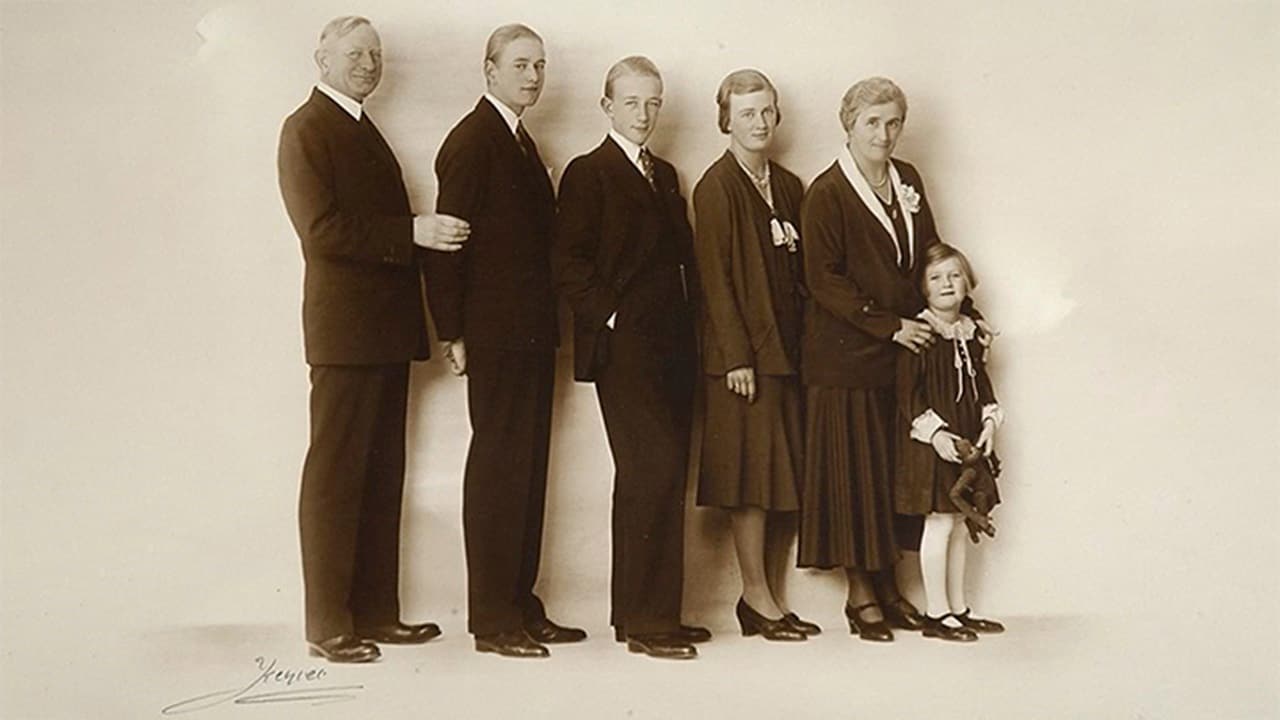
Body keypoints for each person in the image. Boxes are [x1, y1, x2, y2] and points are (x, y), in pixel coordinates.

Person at [277, 15, 470, 663]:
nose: (368, 63)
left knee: (382, 475)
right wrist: (411, 233)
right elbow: (322, 231)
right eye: (355, 53)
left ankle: (375, 615)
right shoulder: (306, 129)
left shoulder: (360, 127)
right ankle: (329, 626)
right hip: (344, 336)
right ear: (321, 58)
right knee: (336, 478)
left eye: (375, 54)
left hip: (383, 334)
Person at [424, 23, 584, 659]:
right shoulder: (472, 141)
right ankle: (492, 620)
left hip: (530, 336)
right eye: (520, 65)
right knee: (498, 472)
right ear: (488, 70)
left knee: (527, 469)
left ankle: (520, 603)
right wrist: (452, 332)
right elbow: (446, 243)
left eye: (540, 65)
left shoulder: (517, 140)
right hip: (493, 336)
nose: (533, 76)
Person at [552, 56, 709, 660]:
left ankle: (646, 613)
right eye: (632, 102)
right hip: (624, 350)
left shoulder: (664, 173)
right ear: (607, 106)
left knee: (664, 476)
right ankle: (648, 623)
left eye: (653, 103)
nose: (644, 114)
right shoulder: (587, 172)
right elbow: (568, 264)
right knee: (652, 471)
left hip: (674, 348)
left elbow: (682, 260)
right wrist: (615, 318)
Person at [797, 76, 937, 642]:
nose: (884, 133)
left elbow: (928, 248)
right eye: (872, 123)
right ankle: (861, 597)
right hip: (846, 358)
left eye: (893, 122)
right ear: (848, 125)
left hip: (899, 354)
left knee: (889, 474)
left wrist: (953, 309)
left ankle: (891, 588)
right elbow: (822, 281)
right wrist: (890, 326)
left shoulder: (909, 180)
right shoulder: (826, 192)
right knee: (853, 475)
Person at [691, 69, 818, 642]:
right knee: (749, 481)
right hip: (740, 364)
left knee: (776, 477)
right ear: (726, 120)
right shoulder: (715, 188)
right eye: (747, 113)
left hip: (785, 356)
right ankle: (755, 596)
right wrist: (737, 357)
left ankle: (766, 597)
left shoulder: (790, 186)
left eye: (767, 111)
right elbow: (714, 281)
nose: (760, 122)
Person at [896, 243, 1005, 642]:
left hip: (967, 442)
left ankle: (958, 607)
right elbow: (908, 396)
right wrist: (937, 435)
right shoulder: (920, 335)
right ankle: (936, 612)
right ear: (923, 289)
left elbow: (981, 385)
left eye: (955, 275)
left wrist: (990, 422)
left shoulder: (972, 332)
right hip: (933, 444)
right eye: (936, 278)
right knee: (940, 522)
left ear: (968, 282)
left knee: (959, 522)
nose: (947, 284)